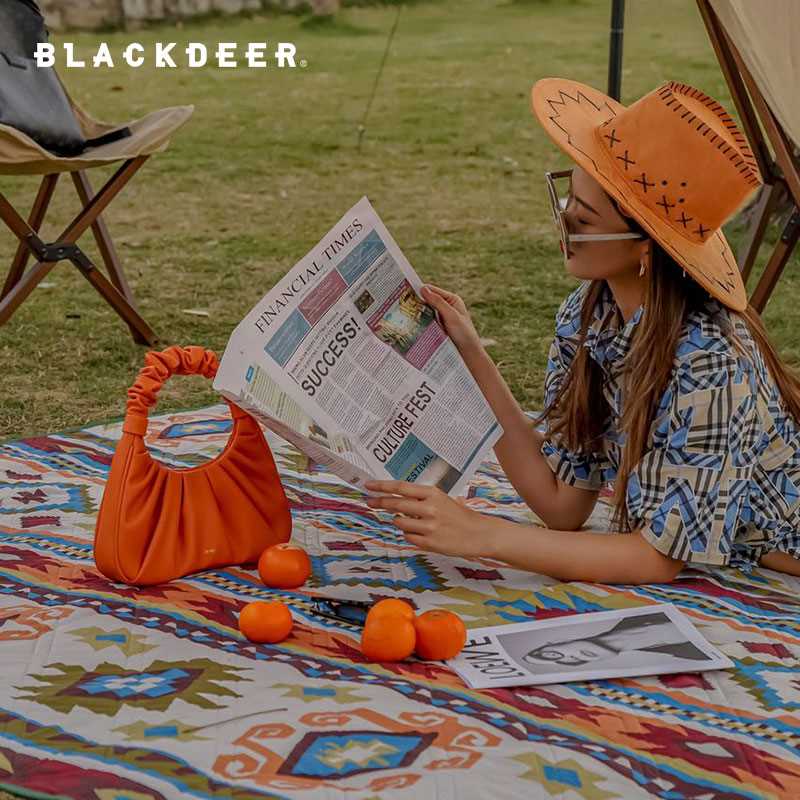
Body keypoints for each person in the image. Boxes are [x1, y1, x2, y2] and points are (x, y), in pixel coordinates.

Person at [365, 78, 800, 585]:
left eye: (585, 216)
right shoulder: (589, 316)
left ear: (646, 247)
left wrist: (483, 534)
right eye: (569, 197)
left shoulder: (712, 361)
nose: (564, 218)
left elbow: (656, 558)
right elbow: (561, 505)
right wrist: (468, 351)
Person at [520, 612, 709, 668]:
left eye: (552, 654)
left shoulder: (635, 612)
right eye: (572, 663)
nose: (570, 659)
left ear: (558, 640)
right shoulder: (691, 655)